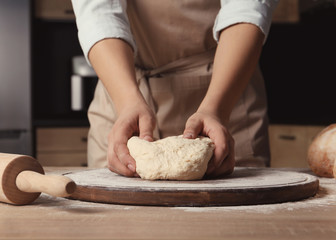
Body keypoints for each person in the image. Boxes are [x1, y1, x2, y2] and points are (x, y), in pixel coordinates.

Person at [71, 0, 279, 178]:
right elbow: (97, 12)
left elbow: (245, 8)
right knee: (117, 222)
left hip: (226, 93)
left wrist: (217, 109)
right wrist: (127, 102)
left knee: (232, 222)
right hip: (121, 93)